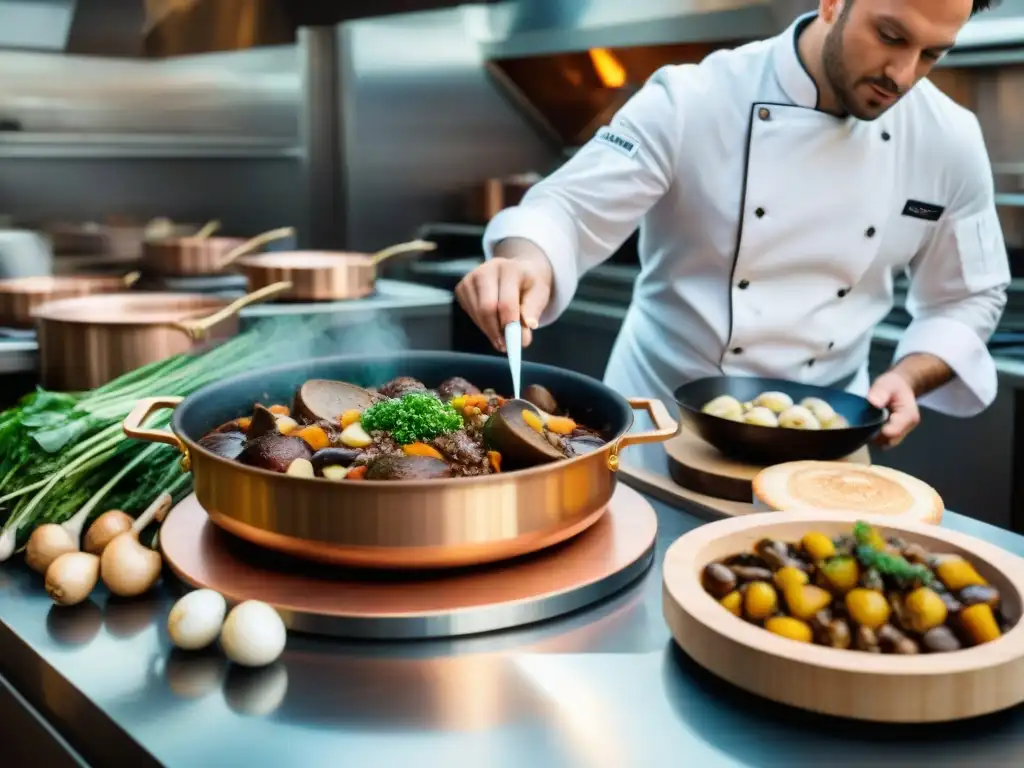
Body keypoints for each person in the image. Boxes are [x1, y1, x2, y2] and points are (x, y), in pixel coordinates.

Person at [455, 0, 1009, 473]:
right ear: (832, 1)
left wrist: (908, 378)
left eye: (933, 53)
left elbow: (969, 296)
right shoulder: (694, 97)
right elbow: (566, 210)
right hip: (661, 433)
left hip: (826, 445)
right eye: (891, 36)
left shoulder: (950, 139)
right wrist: (524, 260)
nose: (904, 74)